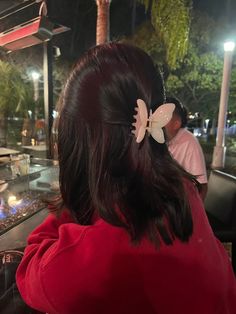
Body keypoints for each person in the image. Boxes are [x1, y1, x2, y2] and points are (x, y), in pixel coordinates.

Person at [16, 43, 236, 314]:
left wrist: (72, 201)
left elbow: (31, 269)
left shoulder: (93, 261)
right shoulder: (183, 194)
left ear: (80, 146)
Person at [165, 97, 208, 200]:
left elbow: (201, 186)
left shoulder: (189, 142)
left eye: (163, 118)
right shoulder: (158, 139)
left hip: (179, 206)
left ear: (176, 124)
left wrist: (193, 215)